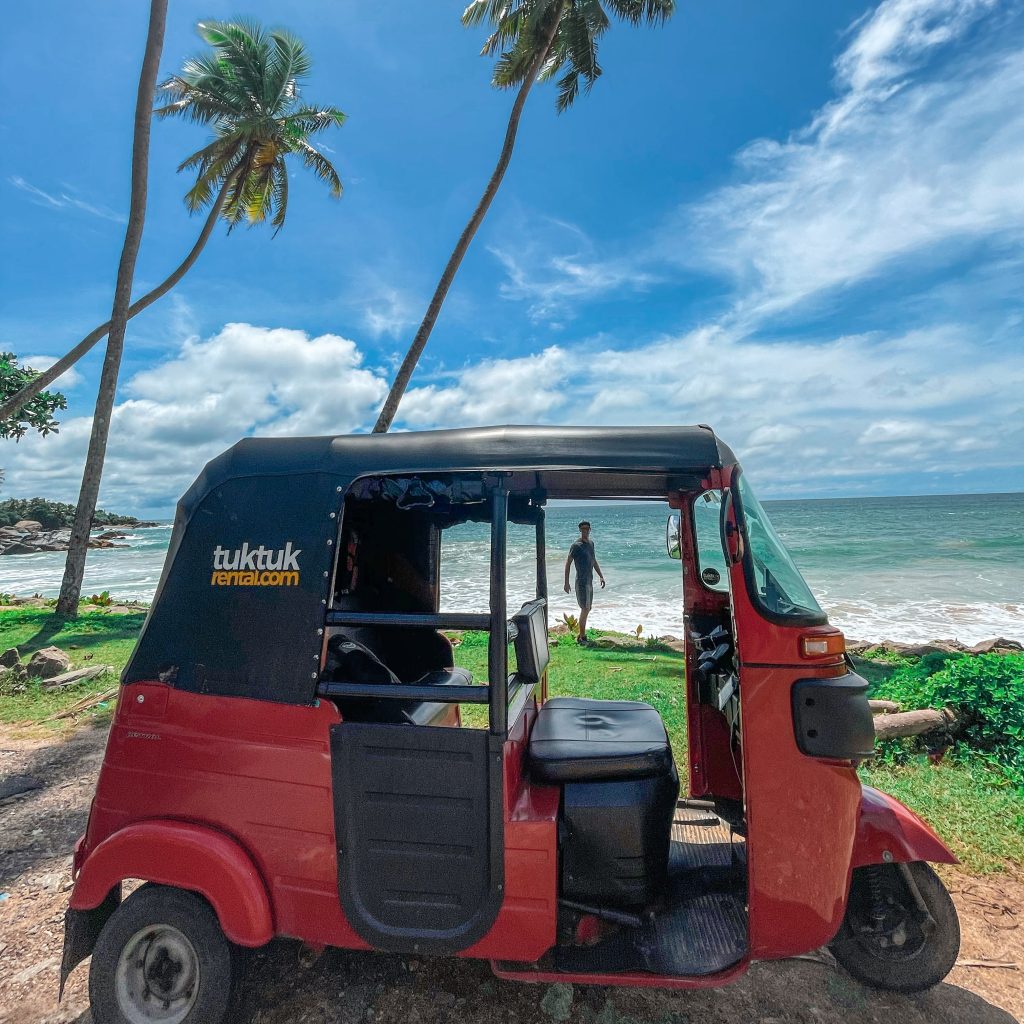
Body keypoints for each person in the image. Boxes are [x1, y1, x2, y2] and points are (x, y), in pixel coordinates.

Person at [563, 520, 605, 644]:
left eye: (587, 529)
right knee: (585, 608)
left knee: (588, 608)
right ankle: (582, 637)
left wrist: (601, 576)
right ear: (580, 530)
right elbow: (568, 563)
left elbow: (593, 560)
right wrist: (566, 582)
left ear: (590, 529)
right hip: (581, 582)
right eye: (583, 529)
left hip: (589, 581)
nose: (585, 531)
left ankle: (580, 635)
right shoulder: (576, 545)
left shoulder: (591, 544)